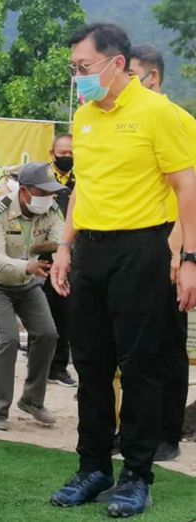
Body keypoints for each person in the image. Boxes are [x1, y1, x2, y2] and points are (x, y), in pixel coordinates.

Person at [49, 24, 196, 518]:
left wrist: (190, 259)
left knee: (140, 367)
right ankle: (93, 467)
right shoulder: (85, 117)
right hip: (89, 250)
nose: (78, 78)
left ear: (117, 64)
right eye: (73, 69)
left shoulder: (162, 115)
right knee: (90, 366)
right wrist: (66, 247)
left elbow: (186, 189)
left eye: (84, 68)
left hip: (142, 249)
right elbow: (83, 189)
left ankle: (136, 475)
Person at [129, 44, 196, 462]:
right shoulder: (127, 122)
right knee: (136, 346)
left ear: (152, 78)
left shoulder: (179, 121)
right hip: (133, 247)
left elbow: (187, 191)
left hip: (172, 245)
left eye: (132, 75)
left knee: (168, 346)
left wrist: (182, 250)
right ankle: (137, 431)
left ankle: (167, 434)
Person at [0, 162, 66, 431]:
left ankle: (32, 401)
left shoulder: (50, 208)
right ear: (24, 192)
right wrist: (28, 265)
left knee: (48, 334)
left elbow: (60, 238)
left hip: (26, 284)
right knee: (9, 340)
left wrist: (59, 254)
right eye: (42, 192)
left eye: (50, 192)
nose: (48, 197)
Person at [41, 134, 77, 387]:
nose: (66, 157)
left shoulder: (82, 178)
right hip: (43, 253)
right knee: (42, 314)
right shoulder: (41, 179)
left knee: (65, 313)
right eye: (62, 153)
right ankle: (39, 367)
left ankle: (59, 367)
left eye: (70, 153)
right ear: (52, 153)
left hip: (72, 252)